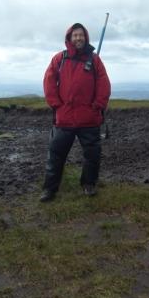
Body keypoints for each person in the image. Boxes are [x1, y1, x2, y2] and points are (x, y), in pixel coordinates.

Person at [40, 23, 111, 202]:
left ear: (85, 37)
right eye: (75, 35)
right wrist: (56, 105)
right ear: (69, 38)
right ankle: (50, 189)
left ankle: (89, 184)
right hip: (64, 118)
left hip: (89, 118)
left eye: (81, 35)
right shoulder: (59, 58)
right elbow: (49, 81)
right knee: (55, 155)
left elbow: (104, 85)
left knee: (92, 156)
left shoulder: (95, 60)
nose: (78, 38)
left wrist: (97, 106)